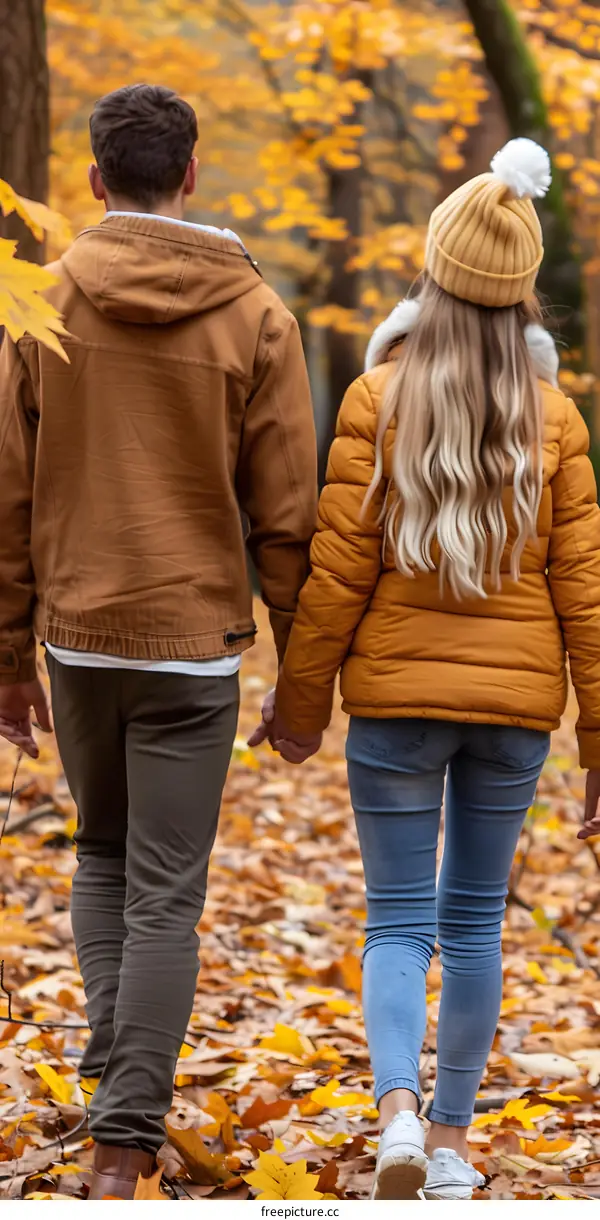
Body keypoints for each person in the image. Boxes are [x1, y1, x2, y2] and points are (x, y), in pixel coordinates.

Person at [252, 139, 600, 1200]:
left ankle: (397, 1112)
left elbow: (335, 575)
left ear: (434, 277)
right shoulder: (558, 420)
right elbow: (587, 596)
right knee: (476, 920)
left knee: (397, 918)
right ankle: (450, 1141)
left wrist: (300, 701)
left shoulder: (378, 401)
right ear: (522, 296)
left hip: (397, 703)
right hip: (513, 715)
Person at [0, 83, 317, 1199]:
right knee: (165, 892)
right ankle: (125, 1133)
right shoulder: (258, 317)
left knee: (100, 853)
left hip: (79, 635)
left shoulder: (43, 303)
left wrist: (6, 661)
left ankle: (113, 1087)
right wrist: (303, 681)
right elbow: (286, 519)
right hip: (192, 646)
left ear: (96, 179)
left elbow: (7, 492)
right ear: (190, 175)